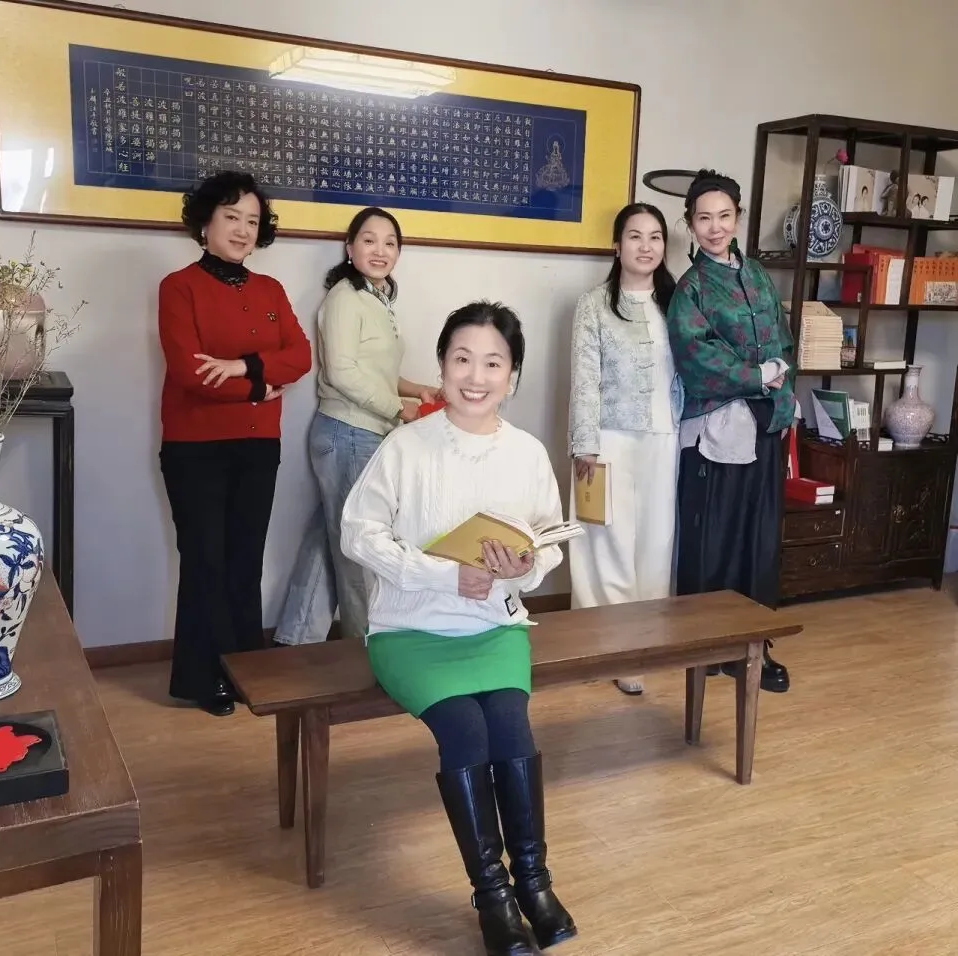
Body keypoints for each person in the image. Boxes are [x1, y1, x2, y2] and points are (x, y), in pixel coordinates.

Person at [340, 302, 577, 956]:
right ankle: (493, 898)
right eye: (462, 359)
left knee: (511, 727)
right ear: (442, 366)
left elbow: (549, 544)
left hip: (494, 626)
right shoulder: (405, 445)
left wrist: (525, 567)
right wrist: (443, 575)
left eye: (493, 363)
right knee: (467, 732)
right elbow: (357, 533)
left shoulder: (527, 453)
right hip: (410, 630)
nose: (476, 376)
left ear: (513, 375)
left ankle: (535, 884)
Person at [157, 170, 312, 716]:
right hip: (195, 448)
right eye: (231, 217)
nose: (243, 230)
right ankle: (206, 679)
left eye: (252, 220)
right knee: (205, 562)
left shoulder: (271, 291)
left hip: (258, 446)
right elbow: (191, 372)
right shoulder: (178, 287)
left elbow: (301, 356)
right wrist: (263, 387)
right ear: (205, 223)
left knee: (245, 560)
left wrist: (243, 368)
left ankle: (250, 670)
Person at [274, 207, 439, 645]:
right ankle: (363, 644)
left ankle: (295, 638)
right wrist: (399, 409)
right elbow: (343, 372)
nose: (380, 250)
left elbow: (376, 371)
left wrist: (417, 389)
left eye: (390, 243)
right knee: (356, 547)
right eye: (369, 240)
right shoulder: (345, 298)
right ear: (350, 248)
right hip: (347, 433)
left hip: (359, 433)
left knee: (329, 535)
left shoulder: (377, 299)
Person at [666, 168, 793, 693]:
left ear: (738, 218)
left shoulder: (759, 275)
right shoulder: (691, 288)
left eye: (724, 216)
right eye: (704, 218)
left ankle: (754, 647)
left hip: (766, 424)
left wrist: (782, 389)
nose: (715, 227)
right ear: (690, 224)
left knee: (757, 538)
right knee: (714, 539)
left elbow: (783, 338)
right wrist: (756, 375)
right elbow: (695, 358)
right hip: (716, 429)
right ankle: (708, 645)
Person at [567, 202, 682, 697]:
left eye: (655, 237)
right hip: (608, 438)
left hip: (665, 435)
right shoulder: (593, 304)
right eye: (635, 236)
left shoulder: (679, 303)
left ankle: (644, 642)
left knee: (656, 541)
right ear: (617, 246)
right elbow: (584, 379)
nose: (645, 246)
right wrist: (584, 444)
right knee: (607, 541)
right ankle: (609, 647)